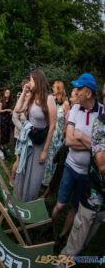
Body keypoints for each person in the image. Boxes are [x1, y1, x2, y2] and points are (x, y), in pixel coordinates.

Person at [50, 73, 103, 253]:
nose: (76, 92)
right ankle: (51, 227)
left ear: (88, 93)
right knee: (61, 205)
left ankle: (62, 236)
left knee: (76, 208)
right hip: (71, 167)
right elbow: (70, 141)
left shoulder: (102, 113)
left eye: (79, 89)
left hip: (88, 174)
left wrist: (81, 135)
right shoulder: (74, 110)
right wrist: (92, 143)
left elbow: (99, 150)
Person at [58, 110, 105, 266]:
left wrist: (84, 137)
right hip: (93, 192)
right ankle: (62, 264)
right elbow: (102, 164)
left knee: (85, 240)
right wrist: (92, 142)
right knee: (74, 243)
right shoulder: (101, 122)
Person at [13, 69, 57, 202]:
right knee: (23, 169)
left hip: (40, 143)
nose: (30, 82)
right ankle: (18, 200)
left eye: (31, 80)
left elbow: (52, 126)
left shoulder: (49, 99)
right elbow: (18, 109)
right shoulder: (31, 97)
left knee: (35, 176)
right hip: (29, 140)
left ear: (38, 81)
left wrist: (45, 151)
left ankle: (29, 203)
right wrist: (24, 93)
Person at [42, 81, 70, 189]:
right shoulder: (54, 101)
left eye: (54, 87)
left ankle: (51, 183)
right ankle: (44, 180)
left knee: (54, 158)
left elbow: (67, 122)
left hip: (59, 135)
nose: (53, 89)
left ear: (59, 89)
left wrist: (63, 135)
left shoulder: (66, 104)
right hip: (51, 133)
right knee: (48, 156)